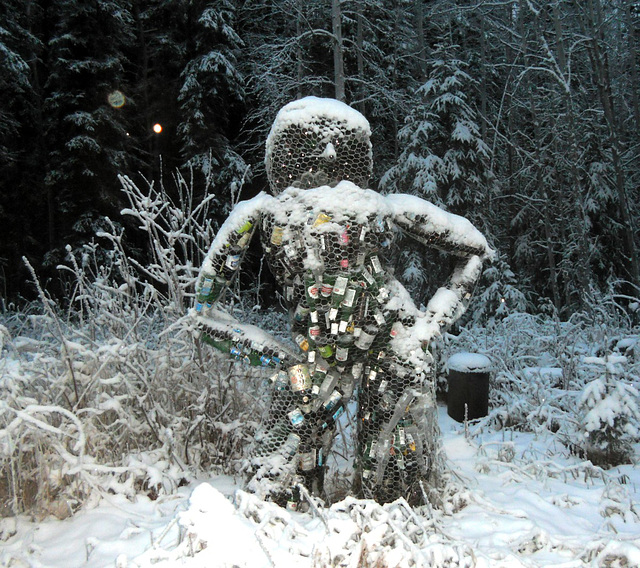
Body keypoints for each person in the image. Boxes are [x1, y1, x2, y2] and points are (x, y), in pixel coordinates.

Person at [192, 96, 493, 507]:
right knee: (275, 486)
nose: (328, 154)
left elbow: (475, 249)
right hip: (316, 355)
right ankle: (279, 531)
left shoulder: (384, 206)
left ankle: (388, 532)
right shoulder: (263, 211)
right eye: (309, 144)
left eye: (341, 145)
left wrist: (428, 327)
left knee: (394, 487)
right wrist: (277, 358)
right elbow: (203, 311)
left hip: (392, 344)